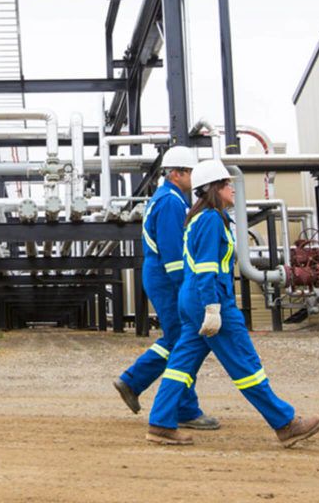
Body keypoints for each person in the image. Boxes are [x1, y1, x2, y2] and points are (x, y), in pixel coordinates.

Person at [146, 159, 319, 447]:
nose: (232, 188)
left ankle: (161, 423)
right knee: (245, 363)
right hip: (210, 298)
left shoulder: (201, 219)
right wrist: (212, 307)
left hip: (193, 299)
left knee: (182, 362)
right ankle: (285, 423)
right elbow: (206, 268)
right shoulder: (211, 220)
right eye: (226, 183)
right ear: (214, 188)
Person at [114, 146, 219, 430]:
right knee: (184, 341)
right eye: (191, 172)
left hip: (160, 276)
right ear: (176, 174)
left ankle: (133, 381)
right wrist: (186, 287)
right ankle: (183, 408)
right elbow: (173, 253)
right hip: (167, 278)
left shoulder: (167, 198)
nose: (195, 179)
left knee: (178, 339)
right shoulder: (171, 202)